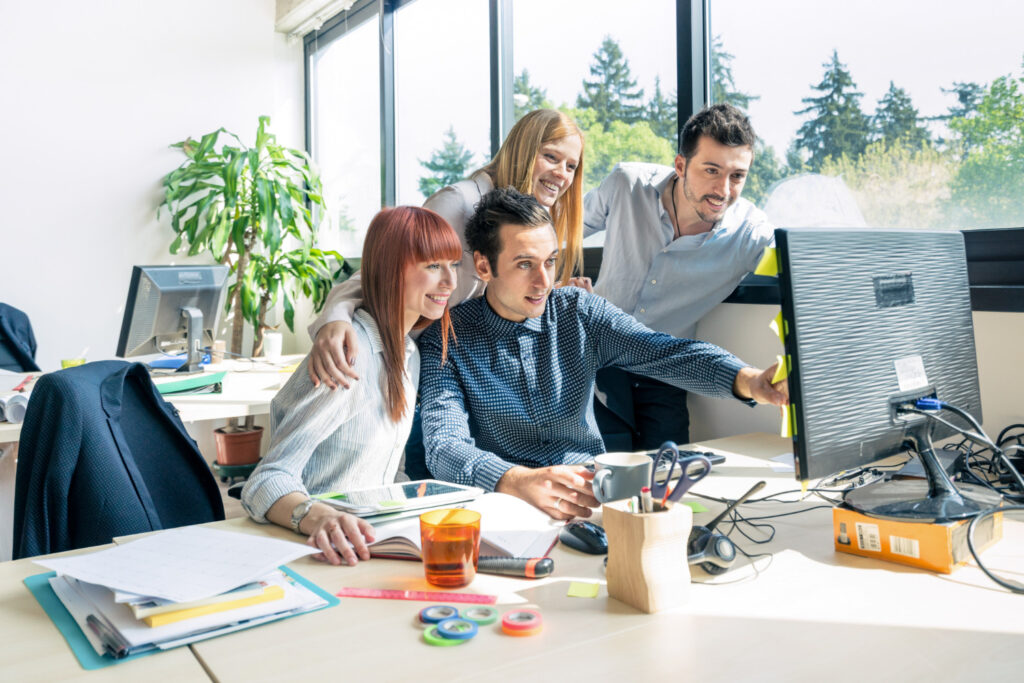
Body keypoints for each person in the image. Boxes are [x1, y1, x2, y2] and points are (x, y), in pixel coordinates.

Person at [418, 188, 786, 520]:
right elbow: (443, 444)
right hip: (509, 510)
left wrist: (748, 380)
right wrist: (515, 479)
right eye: (525, 264)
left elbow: (666, 352)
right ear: (484, 266)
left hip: (594, 501)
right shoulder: (447, 338)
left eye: (550, 261)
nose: (545, 281)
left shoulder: (580, 312)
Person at [305, 109, 589, 392]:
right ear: (522, 150)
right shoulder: (459, 203)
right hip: (381, 364)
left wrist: (557, 291)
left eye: (570, 166)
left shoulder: (534, 221)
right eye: (551, 157)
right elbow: (383, 271)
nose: (561, 174)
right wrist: (335, 318)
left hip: (441, 372)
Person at [241, 206, 461, 565]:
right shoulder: (349, 355)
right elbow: (266, 481)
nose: (450, 282)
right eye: (433, 266)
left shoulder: (408, 353)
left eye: (454, 265)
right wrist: (321, 517)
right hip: (315, 550)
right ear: (391, 270)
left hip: (366, 546)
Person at [584, 103, 775, 452]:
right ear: (681, 165)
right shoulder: (626, 184)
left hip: (666, 368)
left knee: (669, 474)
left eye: (737, 176)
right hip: (598, 358)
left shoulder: (750, 234)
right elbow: (559, 230)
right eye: (711, 170)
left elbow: (800, 271)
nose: (723, 189)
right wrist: (559, 279)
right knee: (600, 467)